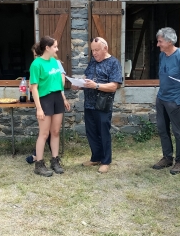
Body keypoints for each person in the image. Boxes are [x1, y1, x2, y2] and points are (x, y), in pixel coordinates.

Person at [152, 27, 180, 175]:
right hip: (161, 98)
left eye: (160, 41)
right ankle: (167, 157)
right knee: (163, 129)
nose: (158, 44)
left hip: (175, 100)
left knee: (177, 131)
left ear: (170, 41)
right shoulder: (162, 55)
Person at [77, 37, 122, 173]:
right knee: (91, 132)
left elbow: (114, 86)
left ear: (105, 48)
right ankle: (95, 157)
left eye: (97, 50)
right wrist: (79, 84)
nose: (94, 53)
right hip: (89, 103)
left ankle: (106, 161)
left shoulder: (114, 63)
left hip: (103, 104)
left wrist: (96, 85)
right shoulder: (92, 62)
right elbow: (87, 78)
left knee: (103, 132)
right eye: (92, 51)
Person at [26, 45, 70, 164]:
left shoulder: (56, 63)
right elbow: (32, 87)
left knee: (54, 131)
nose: (36, 57)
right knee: (44, 133)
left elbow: (60, 84)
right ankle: (39, 161)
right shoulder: (36, 65)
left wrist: (64, 98)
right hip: (44, 98)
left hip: (56, 98)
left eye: (37, 55)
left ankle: (54, 159)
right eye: (34, 55)